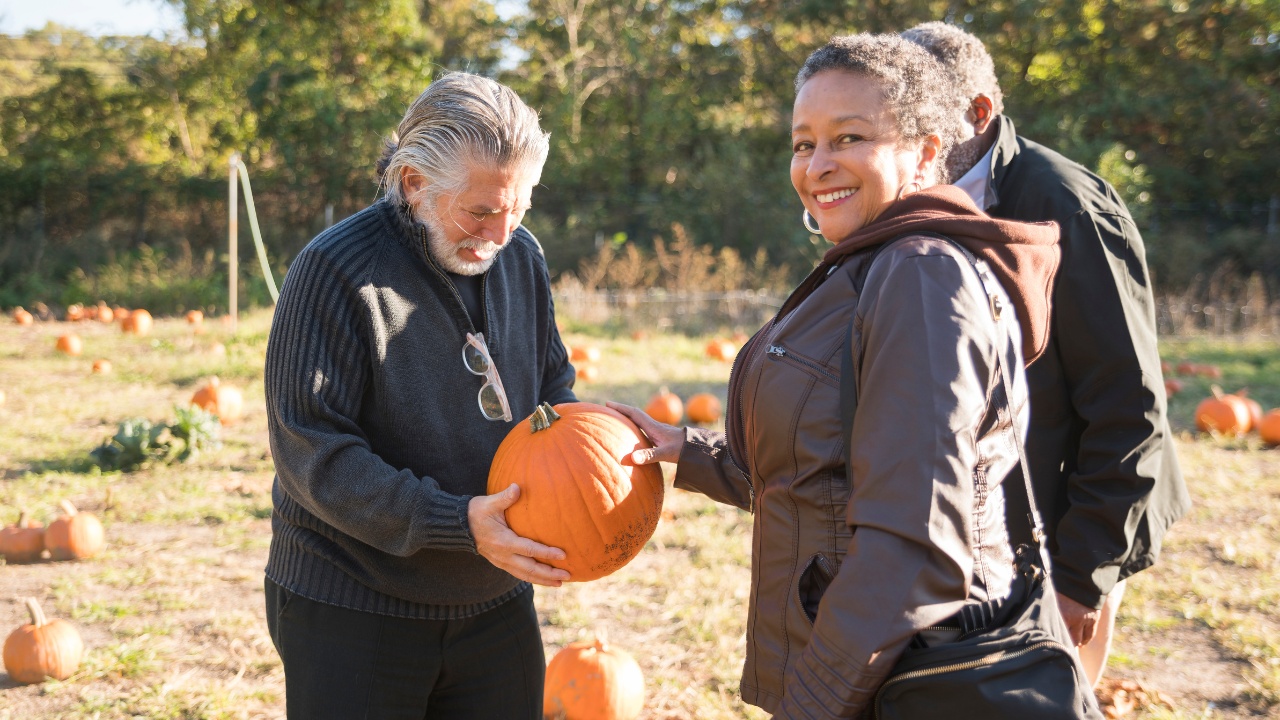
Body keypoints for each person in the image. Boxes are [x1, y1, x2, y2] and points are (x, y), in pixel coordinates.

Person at [610, 34, 1062, 718]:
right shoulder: (869, 266)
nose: (818, 165)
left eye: (849, 138)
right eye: (803, 143)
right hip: (863, 669)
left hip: (902, 676)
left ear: (928, 150)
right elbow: (827, 470)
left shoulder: (920, 276)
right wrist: (685, 451)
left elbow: (915, 542)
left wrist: (812, 701)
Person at [261, 72, 576, 719]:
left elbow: (550, 388)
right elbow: (312, 453)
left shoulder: (523, 257)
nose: (500, 232)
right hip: (354, 603)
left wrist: (588, 451)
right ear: (414, 185)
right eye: (480, 210)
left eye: (518, 207)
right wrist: (456, 522)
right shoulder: (336, 270)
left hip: (495, 598)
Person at [901, 21, 1190, 686]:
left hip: (1078, 518)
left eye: (920, 117)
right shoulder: (917, 198)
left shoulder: (1063, 206)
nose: (906, 135)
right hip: (989, 524)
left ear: (979, 112)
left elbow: (1127, 401)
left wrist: (1082, 578)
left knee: (1050, 693)